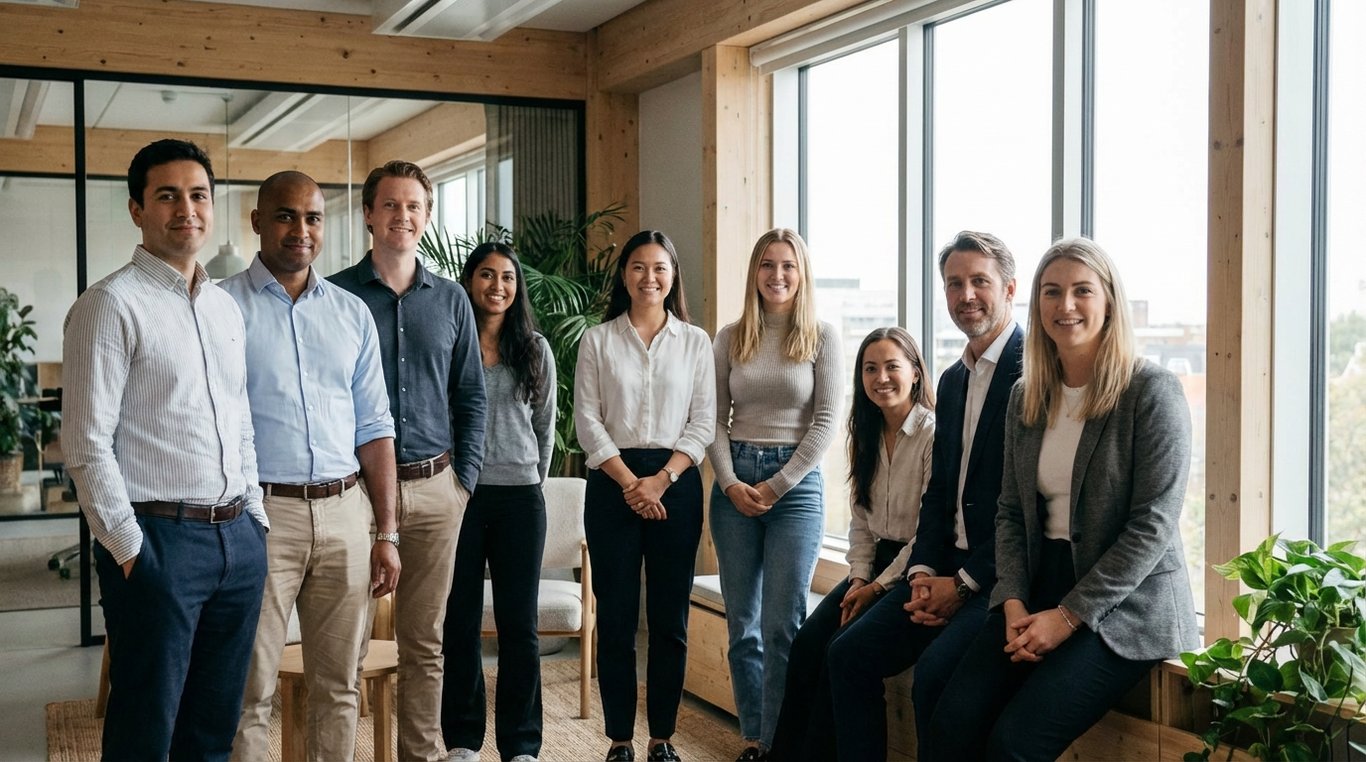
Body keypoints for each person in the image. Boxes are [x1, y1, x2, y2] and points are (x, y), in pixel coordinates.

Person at [926, 238, 1197, 761]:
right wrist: (1010, 600)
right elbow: (1010, 511)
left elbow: (1152, 526)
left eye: (1081, 291)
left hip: (1124, 606)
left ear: (1109, 301)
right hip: (1034, 587)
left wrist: (1069, 616)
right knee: (950, 722)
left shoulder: (1151, 391)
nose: (1065, 305)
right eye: (1051, 292)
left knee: (1014, 744)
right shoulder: (1027, 395)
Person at [63, 138, 269, 761]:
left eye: (199, 194)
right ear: (137, 209)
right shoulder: (109, 305)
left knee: (212, 728)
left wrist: (254, 519)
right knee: (146, 729)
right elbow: (86, 445)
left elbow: (240, 424)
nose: (188, 209)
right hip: (159, 545)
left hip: (237, 540)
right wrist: (129, 549)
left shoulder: (225, 309)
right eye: (168, 195)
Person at [825, 231, 1025, 762]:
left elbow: (1023, 511)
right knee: (847, 656)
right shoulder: (956, 379)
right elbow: (940, 494)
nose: (966, 295)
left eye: (979, 281)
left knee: (932, 683)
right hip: (938, 565)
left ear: (1009, 287)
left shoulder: (1033, 374)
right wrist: (921, 574)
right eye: (954, 284)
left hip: (997, 575)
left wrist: (959, 585)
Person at [223, 171, 399, 762]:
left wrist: (386, 532)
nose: (301, 230)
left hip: (346, 514)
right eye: (285, 216)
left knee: (339, 687)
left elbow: (375, 430)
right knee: (251, 688)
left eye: (314, 217)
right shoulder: (221, 307)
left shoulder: (351, 314)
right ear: (256, 220)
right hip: (263, 517)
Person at [329, 160, 486, 762]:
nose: (403, 216)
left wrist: (462, 483)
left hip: (435, 488)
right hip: (355, 493)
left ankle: (419, 756)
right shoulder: (336, 294)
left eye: (414, 206)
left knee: (426, 643)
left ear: (427, 216)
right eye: (390, 205)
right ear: (368, 214)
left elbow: (471, 394)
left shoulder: (449, 299)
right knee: (345, 646)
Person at [574, 230, 716, 762]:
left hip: (675, 483)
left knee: (669, 618)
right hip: (612, 482)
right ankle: (618, 740)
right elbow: (587, 419)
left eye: (659, 267)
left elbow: (703, 422)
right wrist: (630, 481)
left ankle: (661, 737)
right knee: (615, 616)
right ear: (624, 275)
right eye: (638, 266)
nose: (648, 277)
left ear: (673, 275)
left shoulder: (696, 342)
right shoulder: (598, 339)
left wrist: (661, 480)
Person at [768, 326, 936, 762]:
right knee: (809, 644)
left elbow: (928, 532)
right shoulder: (866, 431)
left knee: (845, 652)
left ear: (916, 374)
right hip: (873, 565)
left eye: (892, 367)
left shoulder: (933, 435)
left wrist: (877, 587)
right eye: (870, 368)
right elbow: (861, 523)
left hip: (916, 567)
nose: (881, 377)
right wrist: (859, 577)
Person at [706, 228, 842, 761]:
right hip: (734, 481)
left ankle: (785, 743)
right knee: (744, 624)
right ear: (754, 272)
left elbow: (827, 420)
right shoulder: (730, 336)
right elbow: (713, 420)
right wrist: (731, 482)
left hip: (796, 486)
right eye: (767, 264)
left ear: (801, 273)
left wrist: (777, 483)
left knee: (783, 623)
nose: (777, 275)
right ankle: (755, 741)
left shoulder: (821, 336)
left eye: (788, 265)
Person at [441, 242, 557, 762]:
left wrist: (532, 483)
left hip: (520, 500)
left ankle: (521, 745)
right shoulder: (450, 344)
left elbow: (545, 428)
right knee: (459, 622)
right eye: (486, 275)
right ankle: (463, 740)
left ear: (517, 287)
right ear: (469, 282)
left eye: (507, 277)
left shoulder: (535, 348)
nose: (497, 286)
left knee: (519, 626)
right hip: (460, 496)